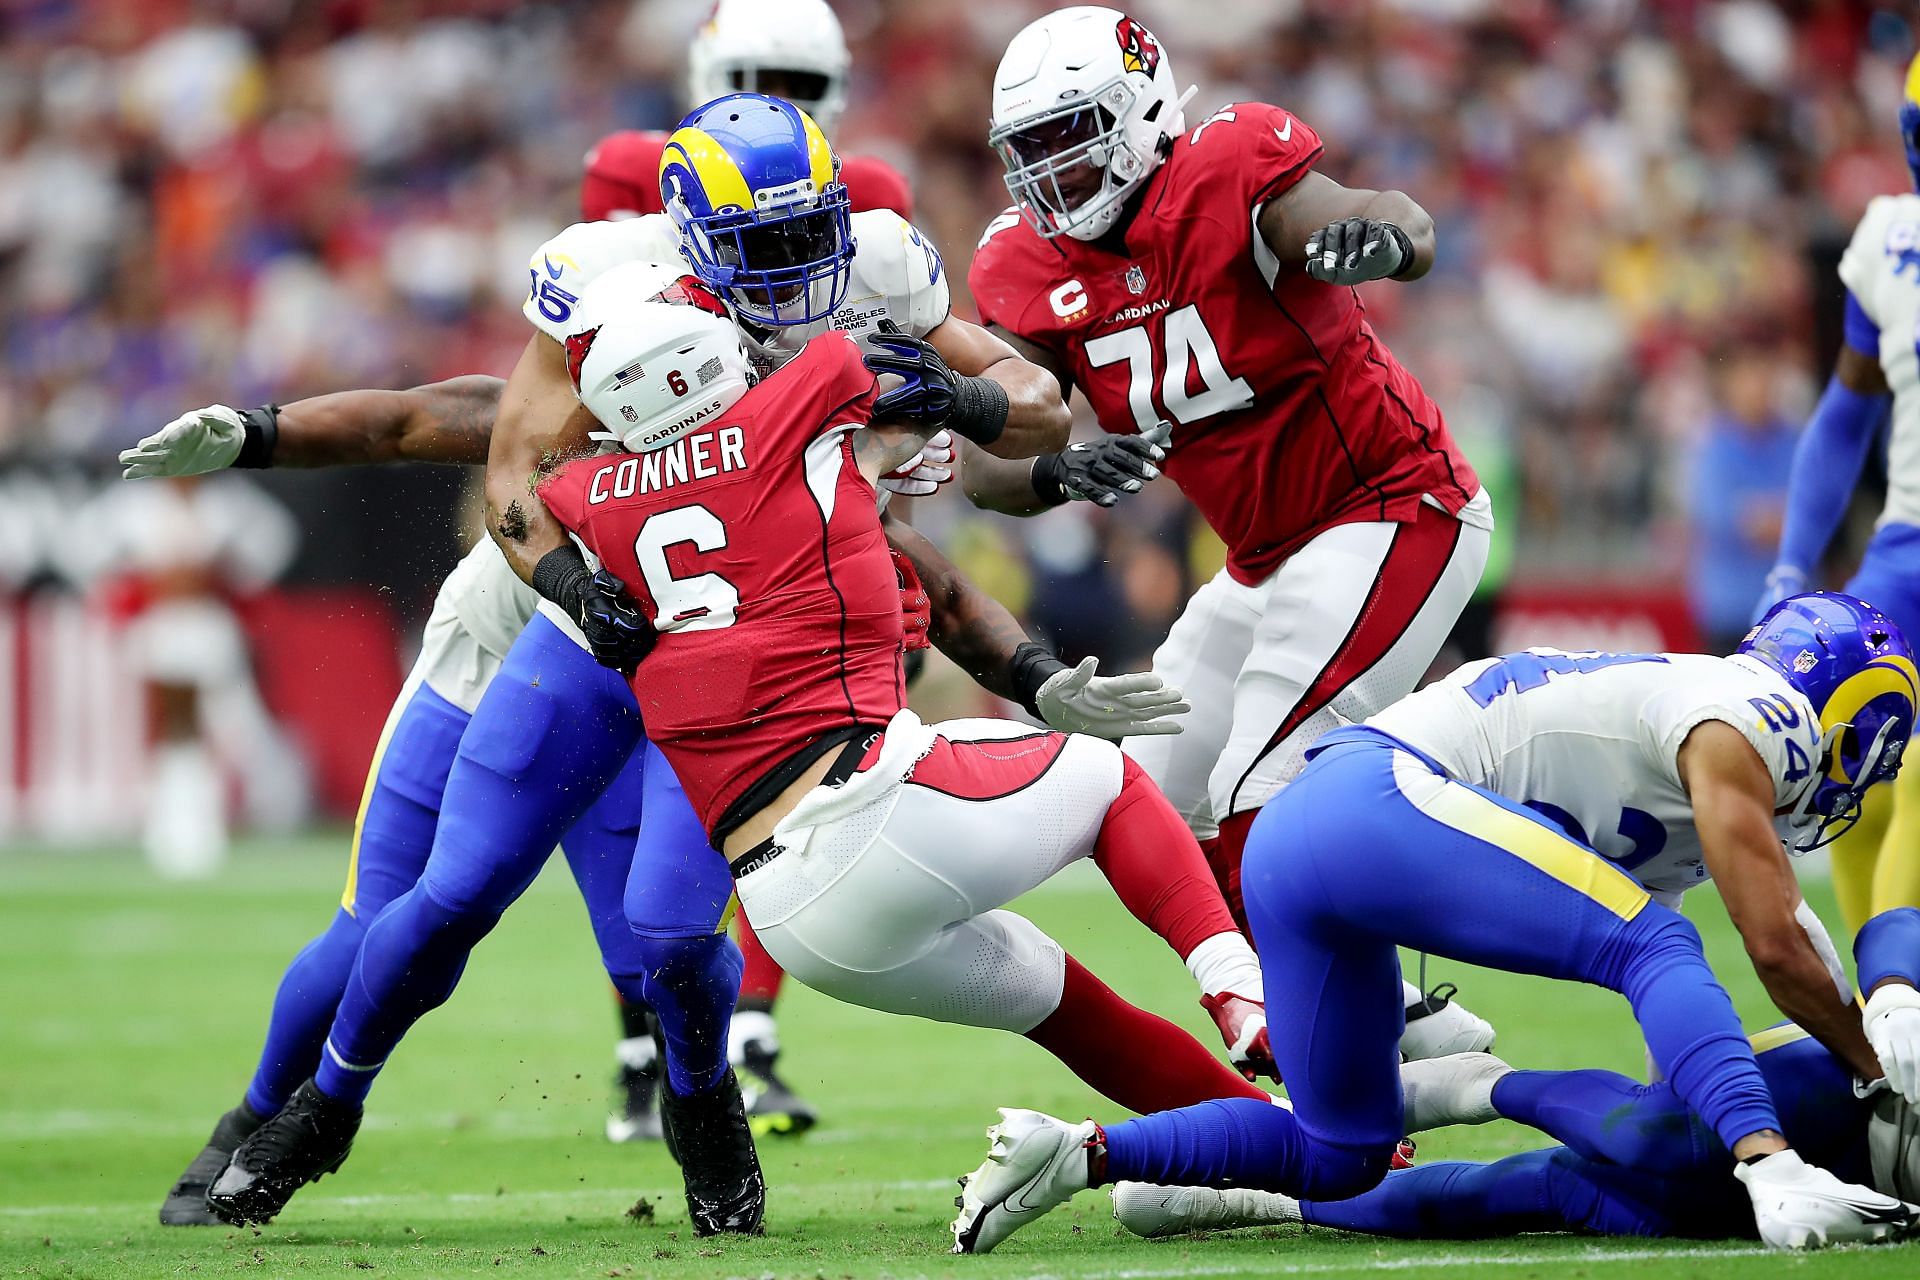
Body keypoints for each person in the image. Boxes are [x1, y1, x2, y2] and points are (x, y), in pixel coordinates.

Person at [172, 97, 1172, 1236]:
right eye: (766, 244)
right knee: (448, 888)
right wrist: (570, 586)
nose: (801, 268)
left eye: (814, 234)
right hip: (606, 617)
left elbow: (1007, 441)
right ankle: (321, 1109)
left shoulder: (866, 300)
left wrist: (969, 401)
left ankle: (701, 1103)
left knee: (666, 928)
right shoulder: (614, 299)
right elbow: (504, 469)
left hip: (744, 665)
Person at [951, 593, 1920, 1253]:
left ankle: (1078, 1149)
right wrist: (1797, 1126)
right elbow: (1774, 944)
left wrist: (1777, 1084)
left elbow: (1695, 1044)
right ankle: (1775, 1168)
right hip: (1375, 798)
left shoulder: (1680, 767)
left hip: (1315, 839)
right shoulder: (1752, 707)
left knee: (1343, 1149)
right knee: (1655, 944)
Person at [537, 274, 1278, 1130]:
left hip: (791, 918)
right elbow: (942, 389)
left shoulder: (585, 499)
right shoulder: (806, 396)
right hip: (870, 810)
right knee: (1109, 780)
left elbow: (524, 497)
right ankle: (1241, 995)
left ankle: (1293, 1151)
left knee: (1069, 1010)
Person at [962, 7, 1494, 1056]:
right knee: (1152, 802)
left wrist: (1385, 239)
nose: (1049, 171)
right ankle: (1375, 1020)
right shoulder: (1027, 268)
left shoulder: (1229, 168)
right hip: (1261, 562)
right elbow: (989, 464)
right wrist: (1056, 468)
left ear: (1141, 110)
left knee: (1263, 788)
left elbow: (1383, 214)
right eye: (1029, 150)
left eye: (1069, 135)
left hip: (1391, 507)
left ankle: (1330, 1045)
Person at [577, 0, 914, 1140]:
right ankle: (644, 1027)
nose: (787, 97)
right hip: (657, 498)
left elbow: (910, 358)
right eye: (760, 75)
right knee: (606, 767)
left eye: (800, 77)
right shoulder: (636, 179)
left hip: (798, 498)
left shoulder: (865, 197)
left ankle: (747, 1025)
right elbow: (576, 376)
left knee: (806, 753)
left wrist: (938, 421)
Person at [1111, 908, 1920, 1246]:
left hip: (1866, 1190)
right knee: (1657, 1136)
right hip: (1841, 1091)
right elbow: (1897, 923)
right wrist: (1896, 997)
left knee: (1547, 1191)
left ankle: (1265, 1195)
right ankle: (1481, 1085)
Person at [1756, 53, 1920, 933]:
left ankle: (1904, 1009)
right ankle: (1875, 1026)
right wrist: (1791, 562)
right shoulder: (1893, 239)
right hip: (1906, 548)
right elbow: (1845, 412)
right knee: (1849, 758)